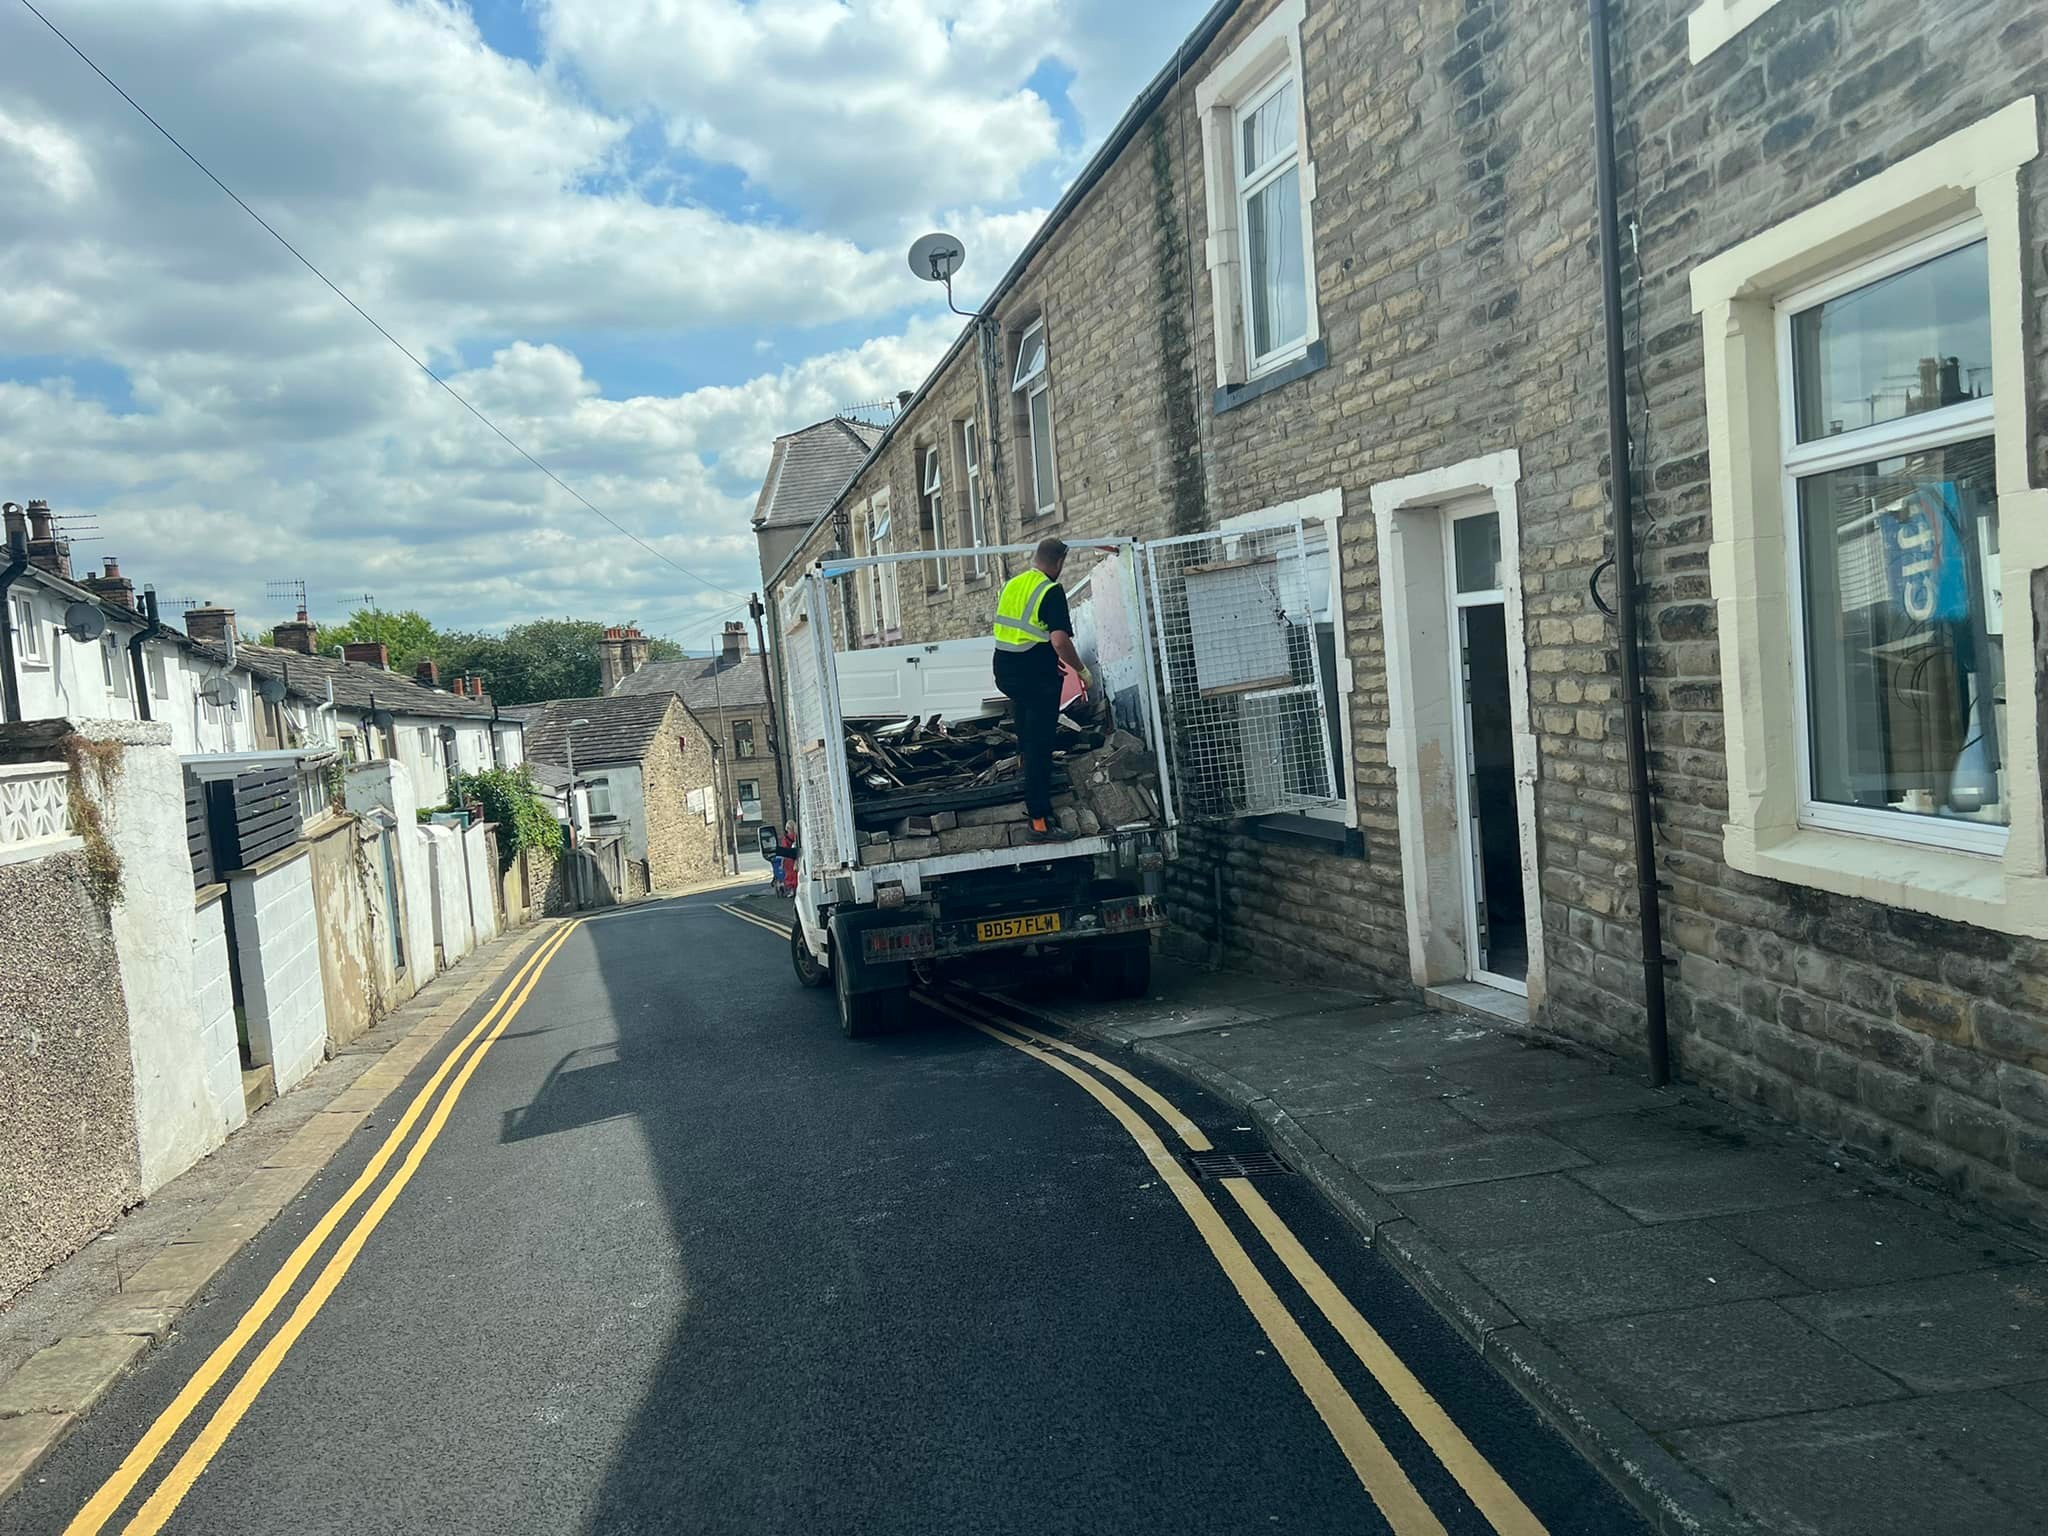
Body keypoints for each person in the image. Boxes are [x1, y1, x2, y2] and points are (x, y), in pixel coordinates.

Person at [992, 537, 1090, 843]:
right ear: (1060, 562)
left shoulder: (1012, 584)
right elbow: (1059, 641)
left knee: (1026, 732)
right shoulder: (1051, 590)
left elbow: (1021, 635)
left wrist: (1046, 660)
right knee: (1040, 747)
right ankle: (1039, 823)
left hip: (1006, 672)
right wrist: (1081, 670)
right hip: (1034, 679)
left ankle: (1023, 768)